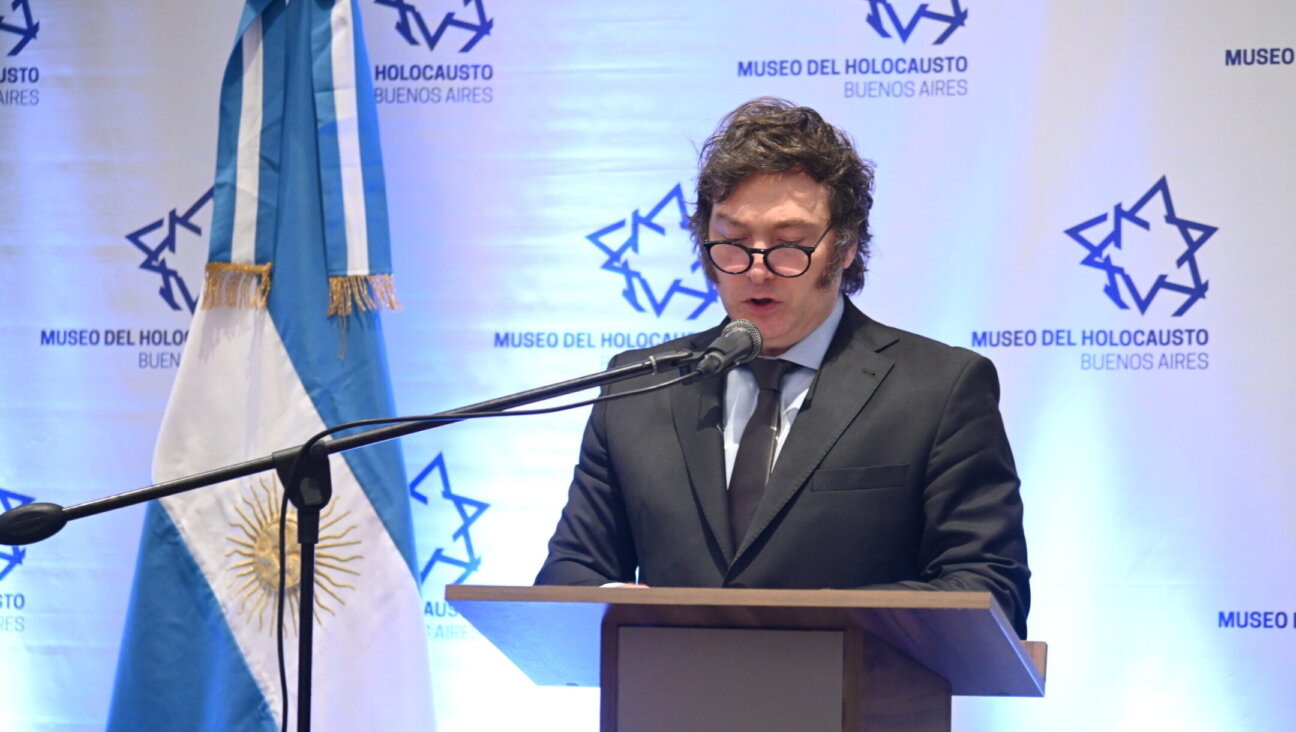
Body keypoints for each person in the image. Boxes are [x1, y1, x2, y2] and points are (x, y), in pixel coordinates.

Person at [535, 97, 1030, 638]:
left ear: (845, 247)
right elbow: (570, 572)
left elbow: (989, 590)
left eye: (790, 245)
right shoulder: (641, 387)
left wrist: (802, 624)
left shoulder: (938, 389)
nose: (757, 269)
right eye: (733, 242)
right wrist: (622, 609)